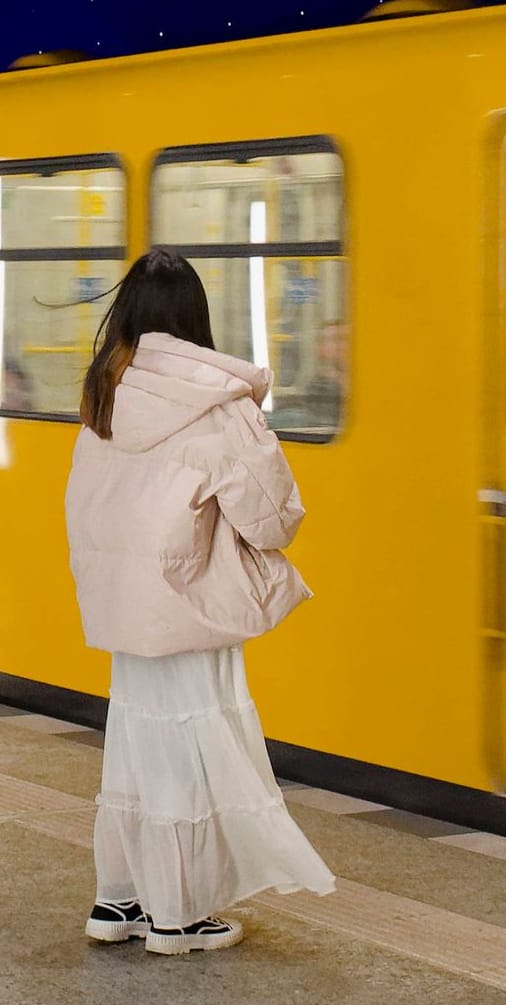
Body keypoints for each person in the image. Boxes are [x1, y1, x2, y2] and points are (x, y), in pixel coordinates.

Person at [63, 247, 335, 956]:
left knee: (135, 744)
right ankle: (178, 917)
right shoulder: (217, 407)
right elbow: (275, 518)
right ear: (194, 321)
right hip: (191, 605)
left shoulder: (104, 396)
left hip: (124, 606)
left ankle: (117, 900)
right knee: (186, 744)